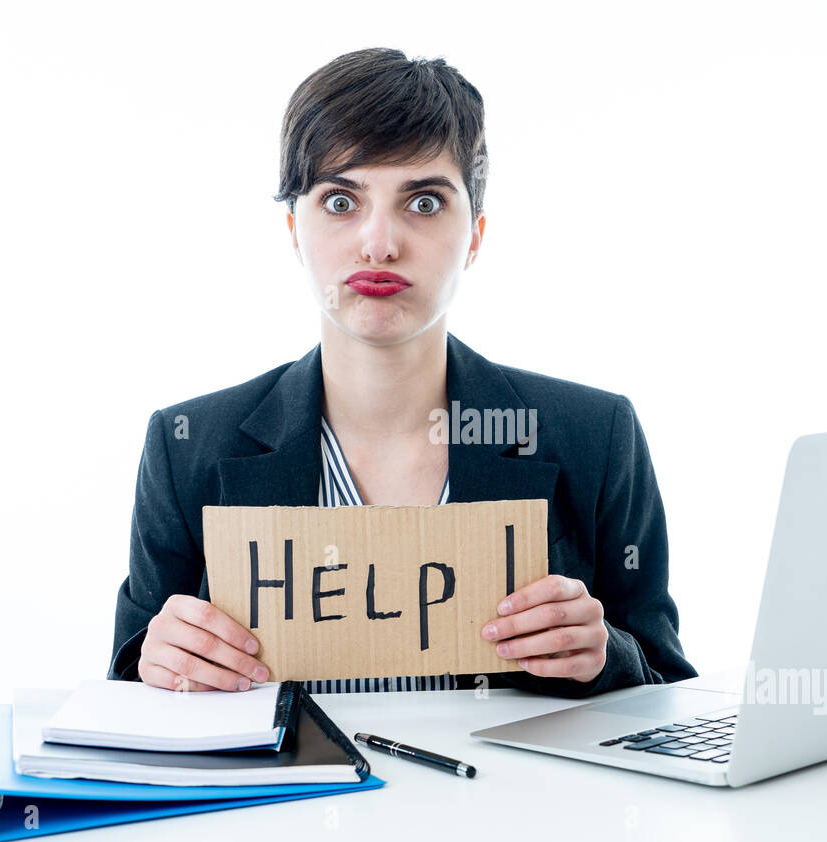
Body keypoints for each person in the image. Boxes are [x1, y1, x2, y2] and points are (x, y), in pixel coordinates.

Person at [109, 47, 697, 697]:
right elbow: (127, 694)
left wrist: (607, 653)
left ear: (474, 233)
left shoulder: (595, 435)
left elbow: (668, 684)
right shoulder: (187, 444)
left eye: (422, 203)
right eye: (340, 202)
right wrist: (153, 664)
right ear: (292, 230)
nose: (379, 242)